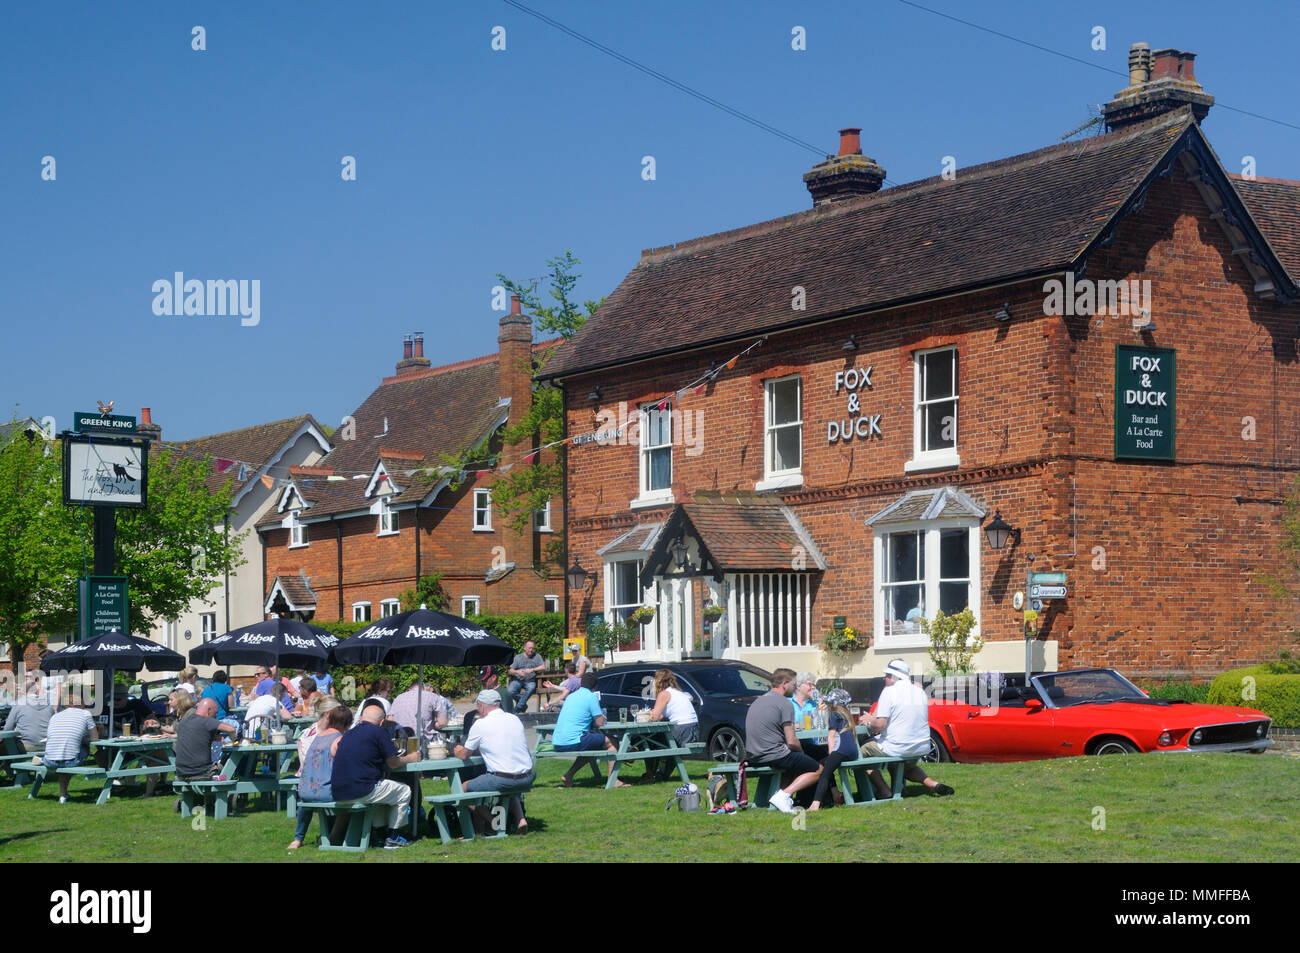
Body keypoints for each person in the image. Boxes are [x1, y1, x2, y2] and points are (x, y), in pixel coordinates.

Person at [330, 699, 422, 849]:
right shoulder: (378, 731)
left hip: (338, 791)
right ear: (382, 722)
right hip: (360, 789)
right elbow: (393, 763)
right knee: (404, 791)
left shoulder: (348, 734)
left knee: (381, 791)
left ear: (360, 719)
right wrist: (410, 758)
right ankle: (393, 837)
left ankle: (379, 835)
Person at [859, 659, 953, 799]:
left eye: (888, 675)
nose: (885, 678)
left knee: (860, 752)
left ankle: (884, 790)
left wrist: (869, 721)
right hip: (921, 746)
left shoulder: (889, 691)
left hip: (898, 746)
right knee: (904, 766)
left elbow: (880, 724)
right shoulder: (919, 692)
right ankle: (932, 784)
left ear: (894, 677)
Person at [454, 688, 534, 835]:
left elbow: (465, 754)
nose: (477, 709)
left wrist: (457, 750)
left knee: (461, 789)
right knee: (508, 783)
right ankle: (520, 819)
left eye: (478, 705)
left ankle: (494, 822)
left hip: (504, 779)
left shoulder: (480, 724)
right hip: (527, 777)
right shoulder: (514, 719)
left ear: (482, 706)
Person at [743, 668, 821, 814]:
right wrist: (802, 753)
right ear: (784, 684)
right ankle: (783, 796)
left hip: (753, 755)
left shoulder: (758, 701)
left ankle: (778, 798)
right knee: (817, 769)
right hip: (773, 754)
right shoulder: (785, 703)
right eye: (793, 684)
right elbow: (791, 741)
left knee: (793, 762)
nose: (795, 687)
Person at [288, 703, 351, 849]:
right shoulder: (339, 739)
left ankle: (298, 839)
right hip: (325, 793)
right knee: (352, 801)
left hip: (304, 791)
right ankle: (333, 839)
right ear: (346, 724)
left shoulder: (316, 737)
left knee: (308, 805)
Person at [552, 671, 629, 788]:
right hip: (575, 739)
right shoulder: (591, 697)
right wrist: (602, 717)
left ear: (581, 683)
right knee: (613, 741)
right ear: (595, 686)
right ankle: (613, 780)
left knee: (591, 744)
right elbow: (599, 722)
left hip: (558, 741)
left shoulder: (571, 696)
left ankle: (568, 776)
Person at [43, 686, 99, 803]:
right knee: (74, 752)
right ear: (82, 703)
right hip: (70, 760)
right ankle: (63, 795)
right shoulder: (85, 714)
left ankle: (63, 794)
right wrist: (85, 739)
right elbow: (95, 738)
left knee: (66, 752)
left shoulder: (55, 716)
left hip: (48, 760)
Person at [643, 669, 698, 781]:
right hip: (693, 731)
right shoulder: (678, 692)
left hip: (682, 730)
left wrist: (644, 714)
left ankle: (650, 774)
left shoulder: (664, 694)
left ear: (658, 681)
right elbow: (661, 715)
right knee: (661, 741)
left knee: (647, 740)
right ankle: (659, 774)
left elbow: (654, 717)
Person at [809, 699, 859, 811]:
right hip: (852, 752)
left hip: (841, 750)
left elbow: (831, 736)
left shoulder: (834, 714)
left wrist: (831, 754)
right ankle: (836, 794)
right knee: (822, 763)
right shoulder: (846, 715)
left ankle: (815, 804)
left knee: (825, 773)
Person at [174, 697, 237, 781]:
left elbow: (197, 737)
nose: (215, 717)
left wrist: (214, 738)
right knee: (228, 771)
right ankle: (227, 793)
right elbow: (231, 729)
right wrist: (233, 739)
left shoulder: (183, 722)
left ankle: (208, 794)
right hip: (202, 773)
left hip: (181, 773)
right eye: (215, 713)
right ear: (209, 711)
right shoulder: (206, 721)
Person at [389, 683, 453, 748]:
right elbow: (443, 723)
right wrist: (432, 724)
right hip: (423, 742)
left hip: (400, 742)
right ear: (424, 689)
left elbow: (390, 721)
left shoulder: (398, 698)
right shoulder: (432, 696)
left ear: (409, 689)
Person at [4, 678, 54, 752]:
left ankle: (7, 763)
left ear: (24, 691)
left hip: (25, 746)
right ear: (37, 691)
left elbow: (8, 729)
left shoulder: (19, 704)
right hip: (48, 745)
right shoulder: (50, 705)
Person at [507, 640, 546, 712]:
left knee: (531, 688)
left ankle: (518, 707)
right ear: (524, 648)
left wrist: (532, 669)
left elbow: (543, 667)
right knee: (510, 691)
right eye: (529, 648)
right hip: (518, 680)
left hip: (530, 680)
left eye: (532, 648)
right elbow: (510, 671)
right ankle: (523, 704)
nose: (531, 650)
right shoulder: (518, 657)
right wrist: (517, 672)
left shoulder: (537, 656)